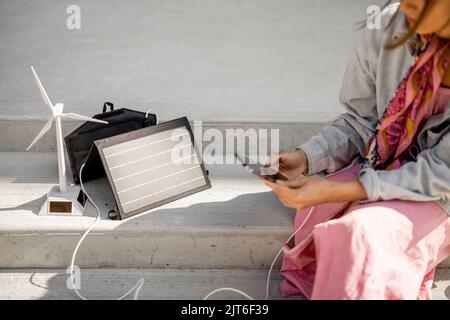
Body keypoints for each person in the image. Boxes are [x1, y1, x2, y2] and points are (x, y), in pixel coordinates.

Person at [263, 0, 450, 300]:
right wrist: (305, 157)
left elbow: (440, 175)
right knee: (315, 212)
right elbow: (361, 121)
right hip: (381, 164)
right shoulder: (386, 24)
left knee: (361, 234)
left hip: (439, 193)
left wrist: (339, 191)